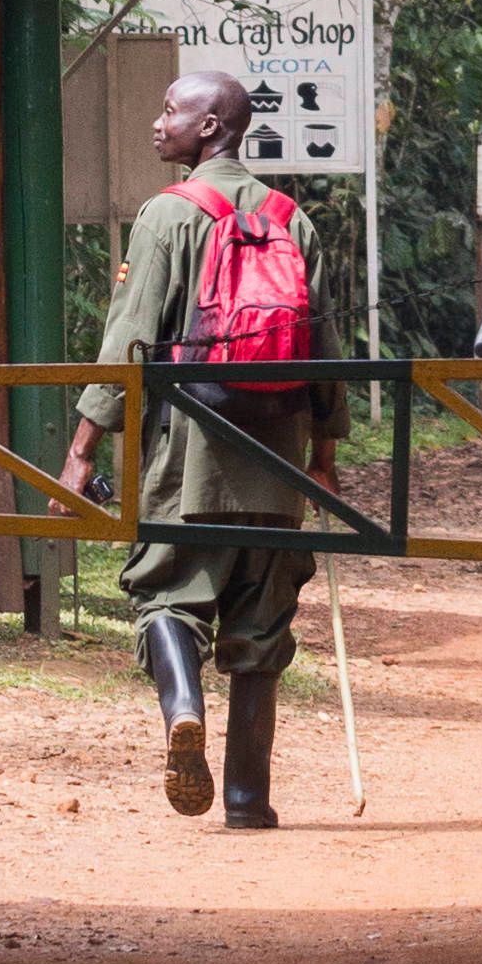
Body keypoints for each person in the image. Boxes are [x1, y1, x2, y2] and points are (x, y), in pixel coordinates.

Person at [58, 61, 331, 827]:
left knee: (165, 595)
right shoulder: (293, 218)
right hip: (277, 461)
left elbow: (130, 340)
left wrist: (83, 448)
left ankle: (184, 710)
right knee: (261, 626)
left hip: (189, 456)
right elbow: (328, 348)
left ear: (210, 126)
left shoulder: (167, 216)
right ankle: (248, 800)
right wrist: (325, 458)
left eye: (170, 109)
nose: (158, 120)